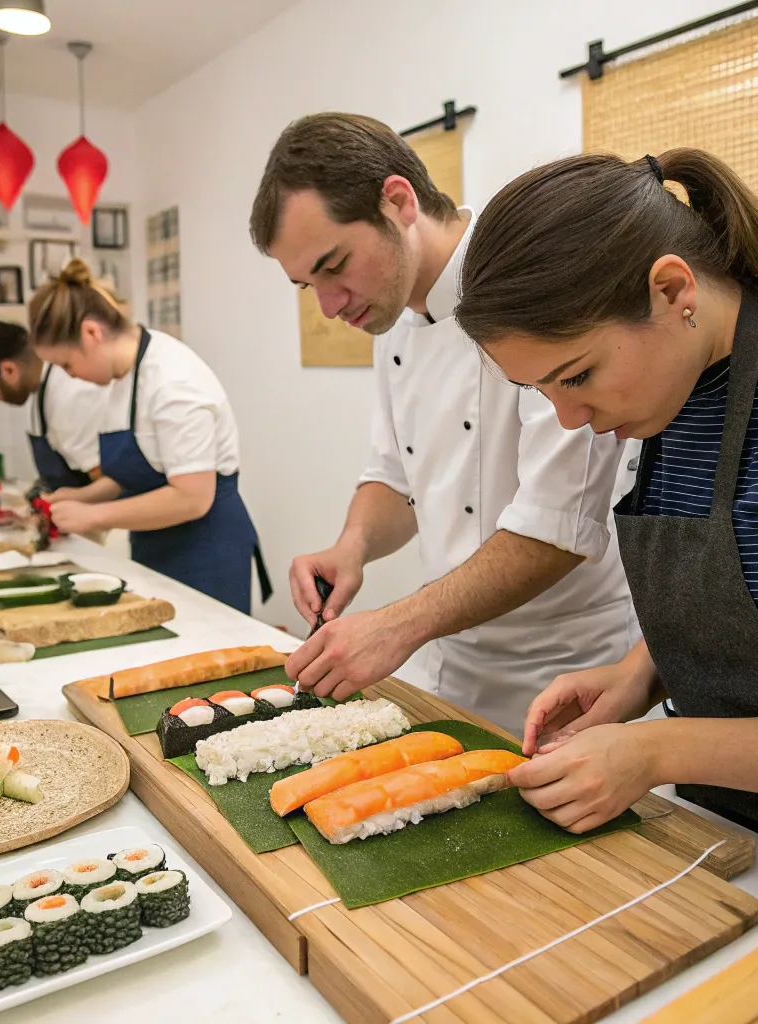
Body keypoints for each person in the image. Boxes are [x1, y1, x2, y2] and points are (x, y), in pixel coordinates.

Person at [455, 148, 758, 865]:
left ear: (671, 289)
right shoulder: (676, 395)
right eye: (540, 393)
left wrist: (660, 748)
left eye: (577, 376)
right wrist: (642, 671)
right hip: (738, 843)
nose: (568, 420)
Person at [249, 112, 637, 732]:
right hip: (449, 658)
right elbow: (396, 476)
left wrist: (397, 623)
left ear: (397, 201)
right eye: (306, 285)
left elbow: (557, 525)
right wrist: (351, 548)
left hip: (566, 670)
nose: (328, 305)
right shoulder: (392, 315)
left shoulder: (527, 276)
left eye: (334, 265)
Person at [28, 259, 271, 614]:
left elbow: (191, 498)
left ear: (91, 333)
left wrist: (93, 517)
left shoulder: (173, 382)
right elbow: (140, 470)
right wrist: (82, 497)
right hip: (155, 546)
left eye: (67, 364)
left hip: (205, 552)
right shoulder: (122, 377)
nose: (70, 376)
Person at [0, 319, 106, 492]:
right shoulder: (42, 392)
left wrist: (65, 503)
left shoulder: (69, 397)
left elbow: (109, 485)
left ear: (9, 370)